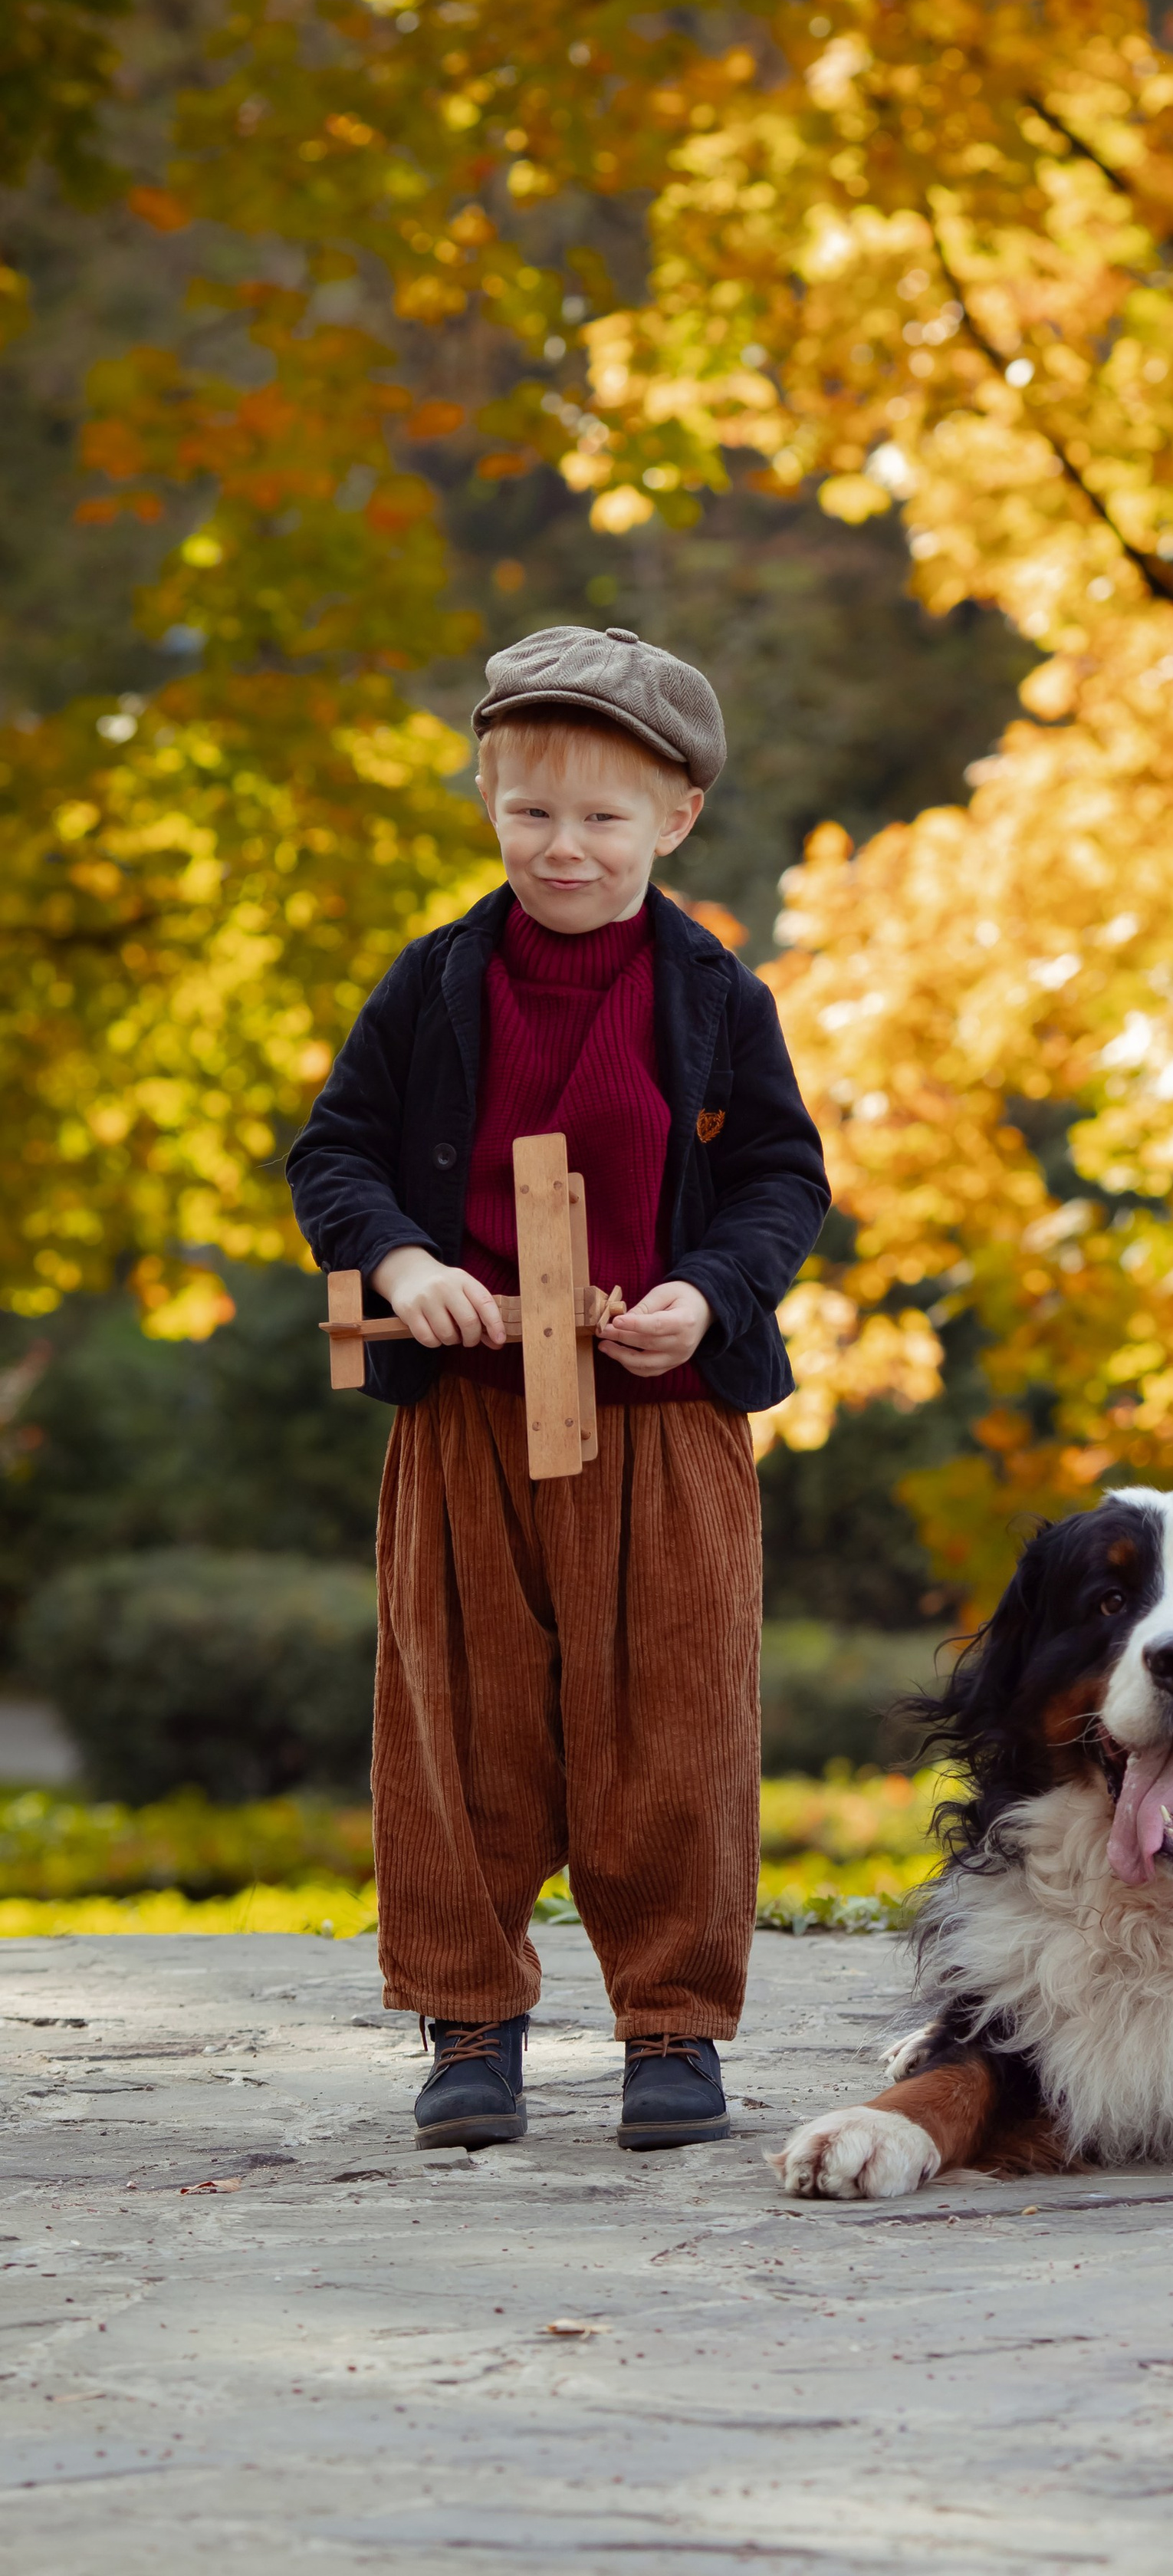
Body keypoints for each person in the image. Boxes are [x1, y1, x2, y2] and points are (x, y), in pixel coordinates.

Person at [288, 626, 829, 2153]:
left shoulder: (716, 995)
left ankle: (672, 2026)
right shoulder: (434, 981)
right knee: (462, 1718)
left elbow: (784, 1176)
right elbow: (330, 1152)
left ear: (674, 818)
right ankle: (471, 2020)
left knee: (671, 1714)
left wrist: (706, 1292)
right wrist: (398, 1264)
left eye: (601, 816)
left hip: (659, 1415)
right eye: (530, 810)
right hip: (466, 1408)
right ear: (486, 802)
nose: (562, 846)